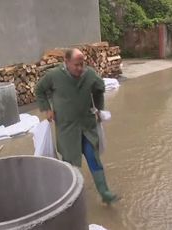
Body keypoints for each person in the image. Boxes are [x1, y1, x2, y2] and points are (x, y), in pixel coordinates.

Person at [35, 49, 119, 204]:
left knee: (93, 158)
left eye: (82, 64)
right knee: (70, 164)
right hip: (67, 129)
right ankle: (71, 198)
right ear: (66, 62)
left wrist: (99, 109)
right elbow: (39, 91)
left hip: (87, 127)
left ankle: (105, 192)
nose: (80, 68)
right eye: (76, 65)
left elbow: (99, 89)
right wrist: (47, 109)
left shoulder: (90, 75)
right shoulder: (54, 76)